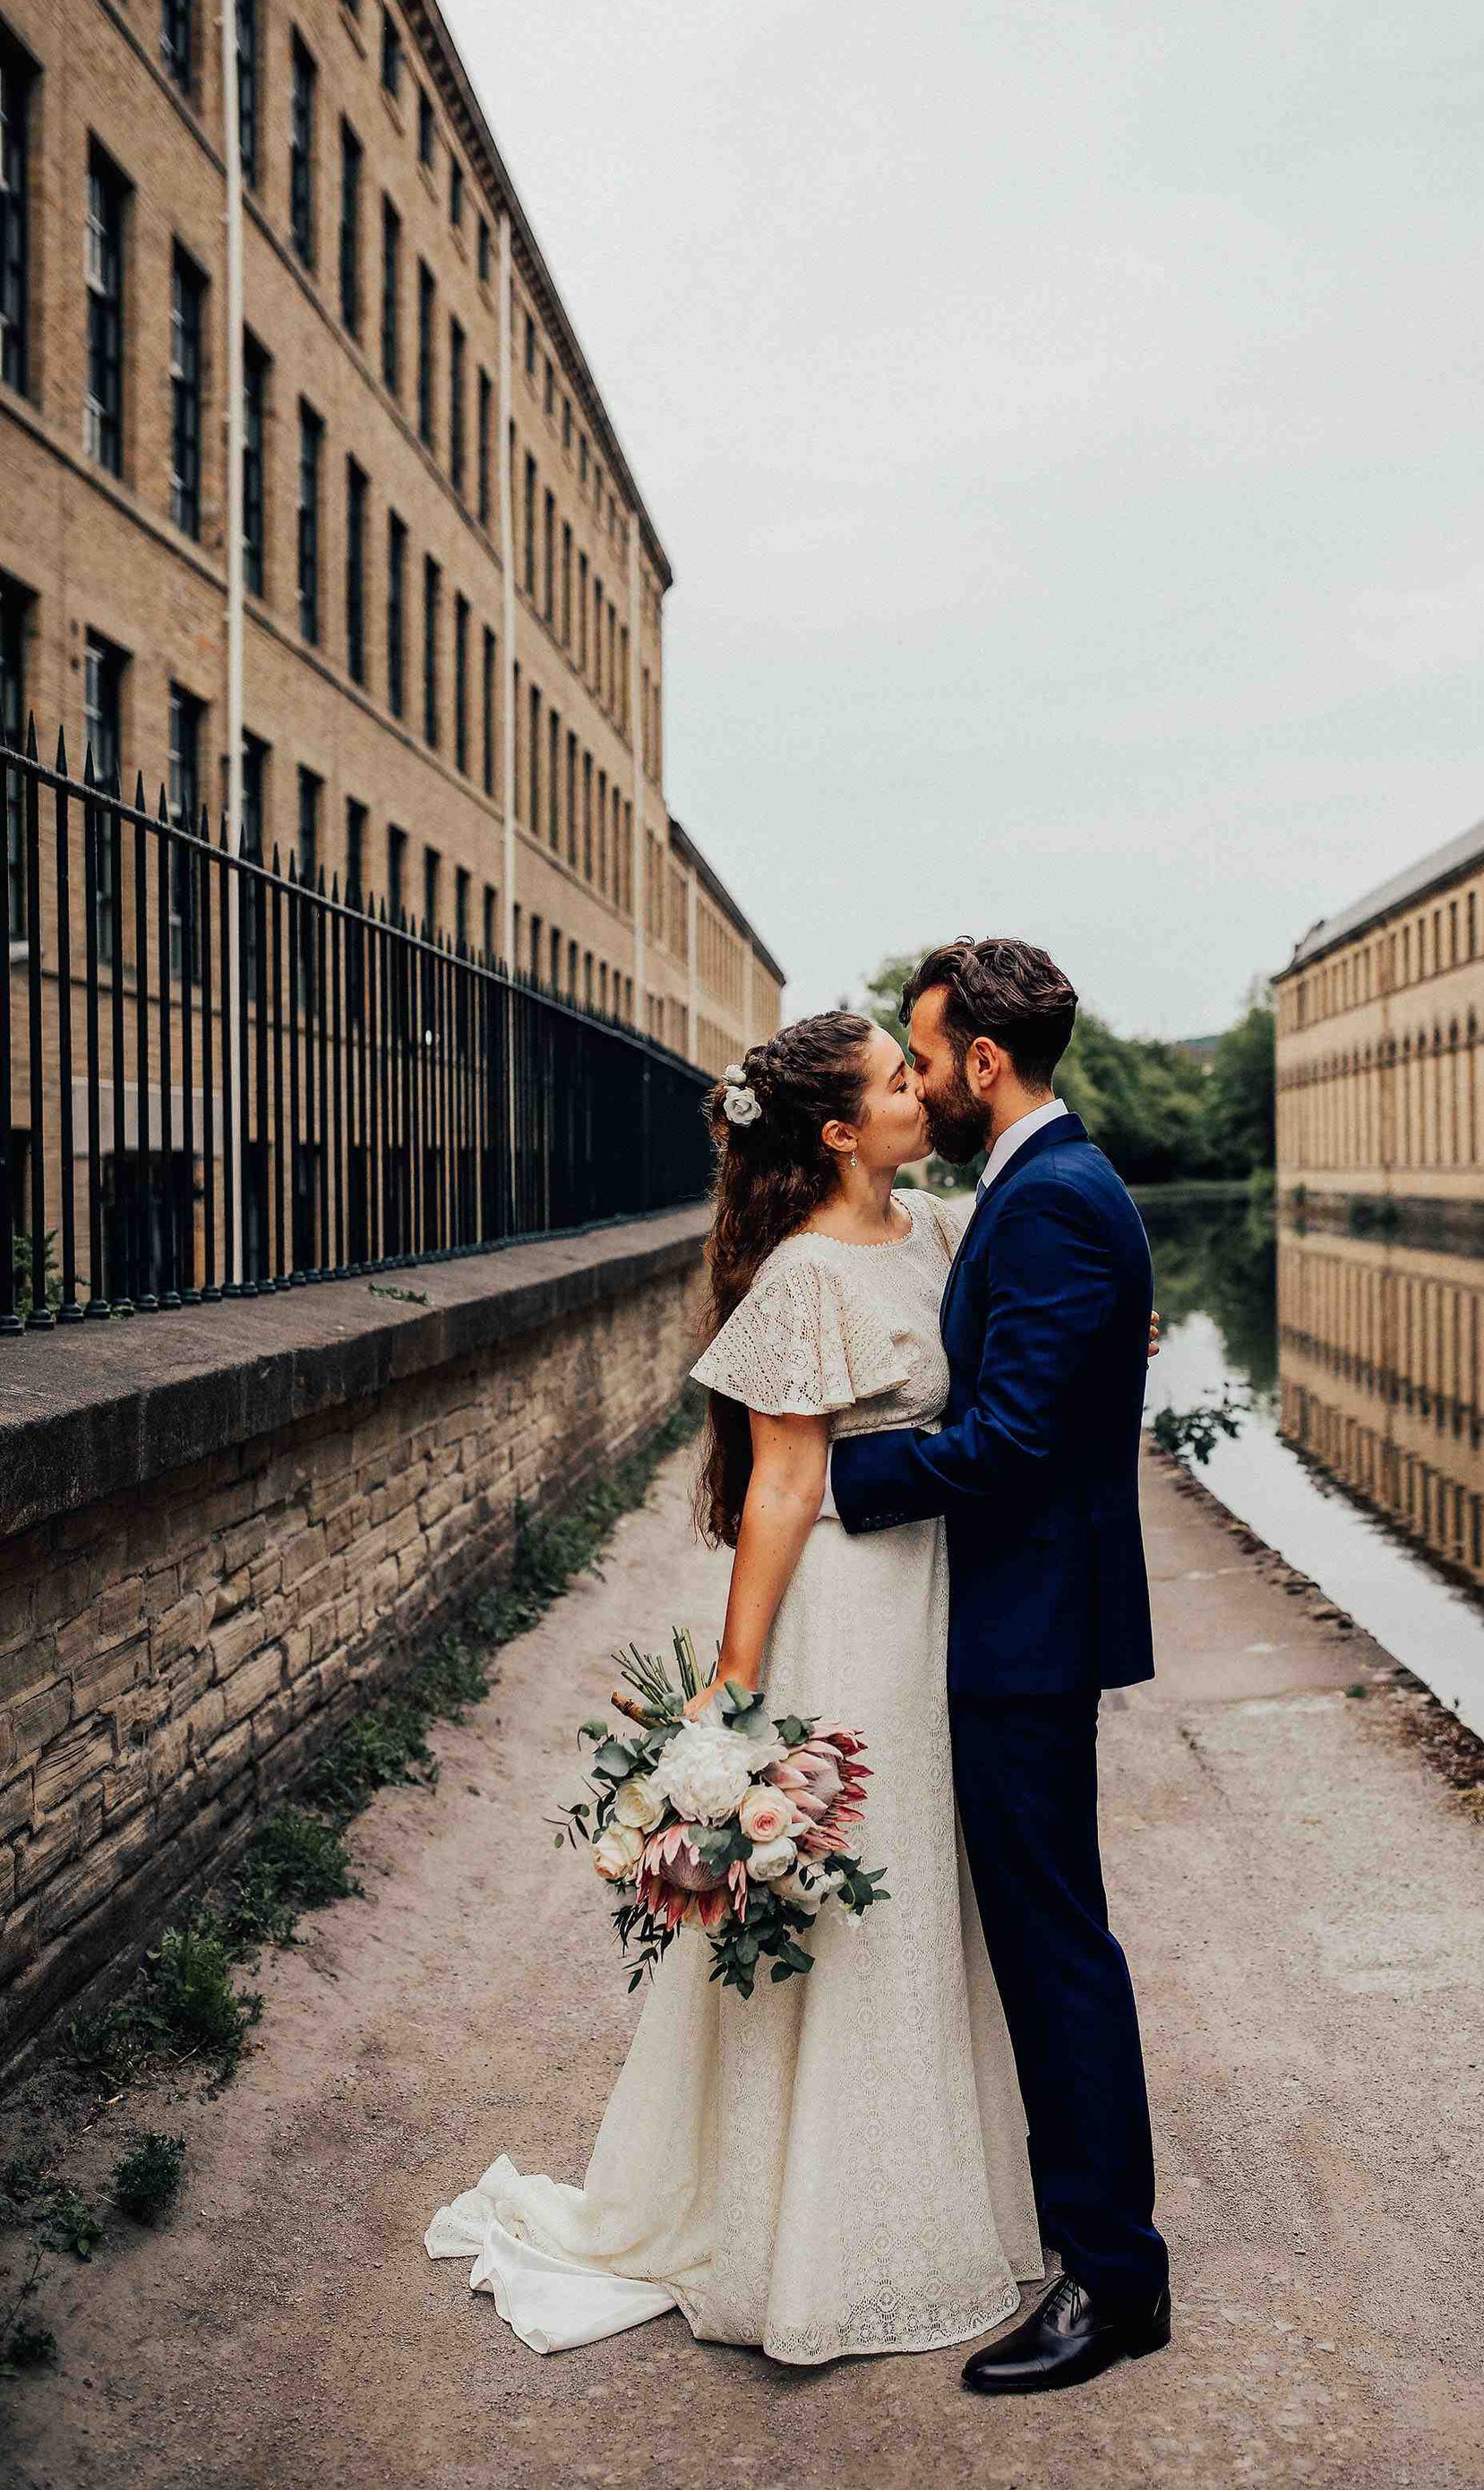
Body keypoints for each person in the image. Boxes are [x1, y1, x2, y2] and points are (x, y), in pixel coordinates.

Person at [425, 1011, 1043, 2363]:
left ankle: (931, 2193)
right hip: (854, 1609)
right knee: (854, 1880)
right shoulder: (803, 1280)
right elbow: (779, 1483)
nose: (919, 1091)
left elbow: (1019, 1355)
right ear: (836, 1130)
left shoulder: (936, 1230)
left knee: (928, 1877)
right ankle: (808, 2227)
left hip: (940, 1595)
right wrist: (736, 1691)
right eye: (895, 1081)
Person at [828, 937, 1171, 2395]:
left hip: (1027, 1634)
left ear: (984, 1062)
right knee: (1046, 1939)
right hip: (1025, 1619)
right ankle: (1094, 2247)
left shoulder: (1051, 1205)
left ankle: (1114, 2281)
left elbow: (1014, 1443)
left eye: (923, 1054)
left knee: (1055, 1949)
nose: (915, 1080)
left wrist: (843, 1473)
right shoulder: (1043, 1191)